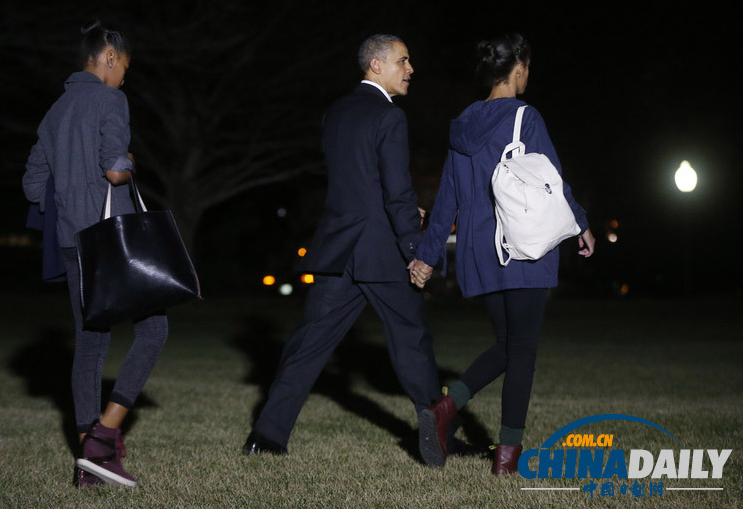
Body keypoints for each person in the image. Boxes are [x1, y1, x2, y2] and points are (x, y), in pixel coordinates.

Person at [243, 34, 442, 456]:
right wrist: (416, 248)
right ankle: (436, 442)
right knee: (411, 339)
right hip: (380, 250)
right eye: (403, 61)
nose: (410, 69)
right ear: (376, 65)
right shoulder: (390, 117)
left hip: (339, 250)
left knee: (308, 344)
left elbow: (358, 185)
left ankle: (266, 437)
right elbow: (396, 192)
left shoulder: (335, 113)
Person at [408, 33, 596, 471]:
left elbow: (447, 198)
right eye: (527, 68)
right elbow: (552, 182)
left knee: (508, 345)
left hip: (480, 252)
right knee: (522, 350)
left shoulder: (461, 125)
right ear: (518, 70)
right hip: (523, 246)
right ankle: (507, 456)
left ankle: (445, 409)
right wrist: (582, 224)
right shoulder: (526, 118)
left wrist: (429, 254)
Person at [22, 20, 168, 488]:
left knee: (90, 344)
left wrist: (67, 197)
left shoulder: (55, 111)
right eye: (124, 66)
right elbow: (114, 169)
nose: (124, 76)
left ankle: (91, 465)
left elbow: (31, 185)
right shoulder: (110, 99)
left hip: (71, 240)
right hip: (109, 240)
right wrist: (126, 166)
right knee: (154, 330)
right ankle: (104, 437)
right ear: (108, 58)